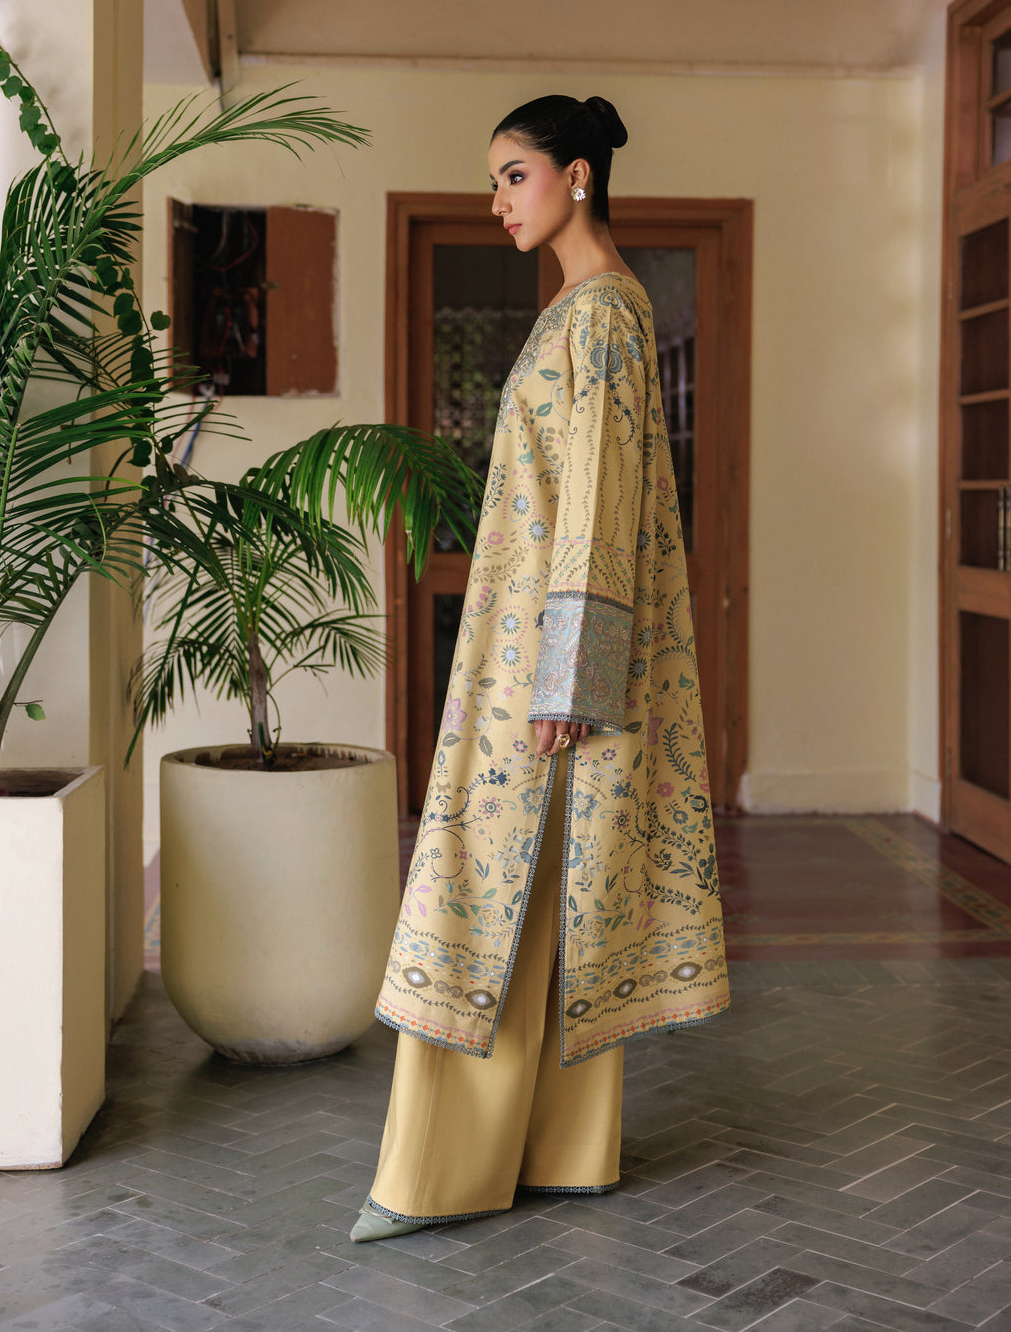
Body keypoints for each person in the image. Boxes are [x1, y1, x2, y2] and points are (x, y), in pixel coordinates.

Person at [351, 94, 729, 1242]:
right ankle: (556, 1145)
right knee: (539, 881)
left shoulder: (604, 314)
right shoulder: (581, 309)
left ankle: (435, 1171)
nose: (497, 200)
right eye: (494, 180)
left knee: (493, 878)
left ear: (578, 175)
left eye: (513, 174)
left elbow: (600, 506)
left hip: (548, 667)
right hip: (521, 647)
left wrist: (571, 682)